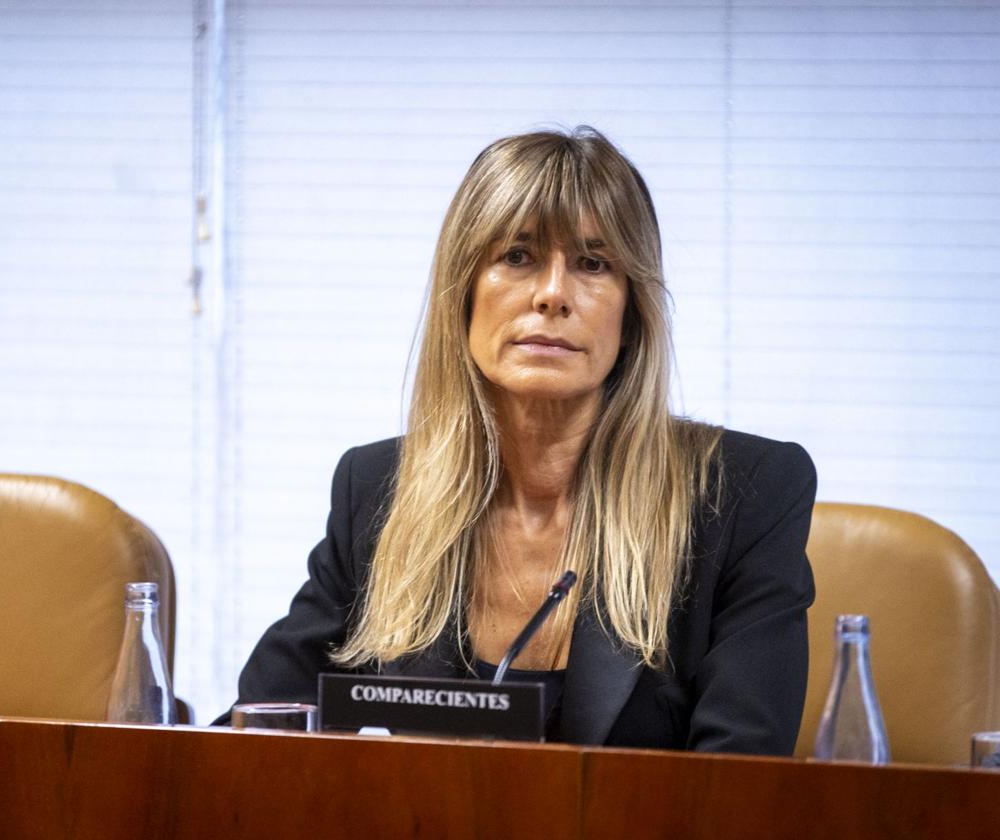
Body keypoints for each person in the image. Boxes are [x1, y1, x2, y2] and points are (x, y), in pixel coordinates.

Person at [221, 126, 816, 755]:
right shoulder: (377, 491)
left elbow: (739, 787)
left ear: (632, 312)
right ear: (465, 294)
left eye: (593, 263)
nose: (553, 294)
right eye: (518, 256)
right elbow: (260, 737)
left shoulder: (744, 494)